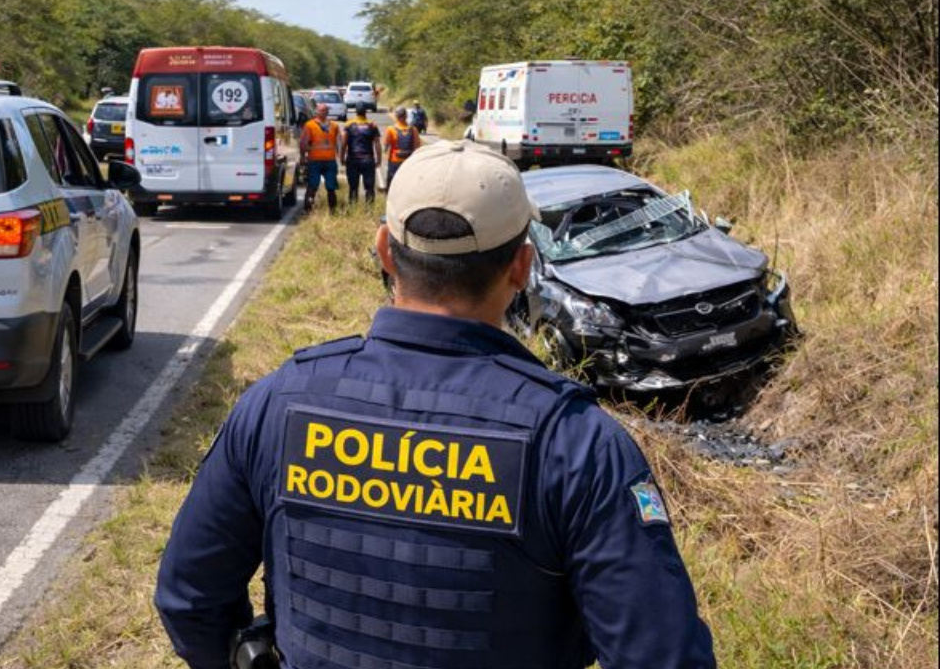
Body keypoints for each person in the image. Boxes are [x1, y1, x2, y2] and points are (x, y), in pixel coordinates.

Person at [154, 139, 718, 669]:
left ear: (385, 250)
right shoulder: (576, 443)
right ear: (522, 266)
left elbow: (190, 598)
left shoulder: (275, 405)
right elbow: (661, 654)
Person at [299, 103, 342, 212]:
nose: (323, 112)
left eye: (325, 110)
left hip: (329, 161)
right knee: (313, 186)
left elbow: (339, 143)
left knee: (331, 187)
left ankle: (333, 211)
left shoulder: (334, 126)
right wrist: (303, 156)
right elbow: (303, 143)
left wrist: (340, 157)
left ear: (327, 112)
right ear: (316, 112)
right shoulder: (310, 125)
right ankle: (308, 210)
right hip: (315, 161)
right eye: (322, 110)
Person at [341, 102, 381, 205]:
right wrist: (379, 159)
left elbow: (344, 143)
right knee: (369, 187)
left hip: (353, 159)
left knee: (353, 187)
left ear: (356, 112)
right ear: (365, 112)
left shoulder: (349, 125)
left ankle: (353, 208)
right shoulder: (372, 125)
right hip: (368, 160)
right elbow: (377, 143)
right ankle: (369, 209)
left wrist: (341, 158)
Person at [382, 107, 421, 191]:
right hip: (409, 160)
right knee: (408, 182)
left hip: (395, 160)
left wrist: (385, 155)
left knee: (392, 182)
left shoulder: (391, 129)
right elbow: (417, 146)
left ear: (396, 116)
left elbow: (385, 146)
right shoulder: (413, 129)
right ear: (406, 116)